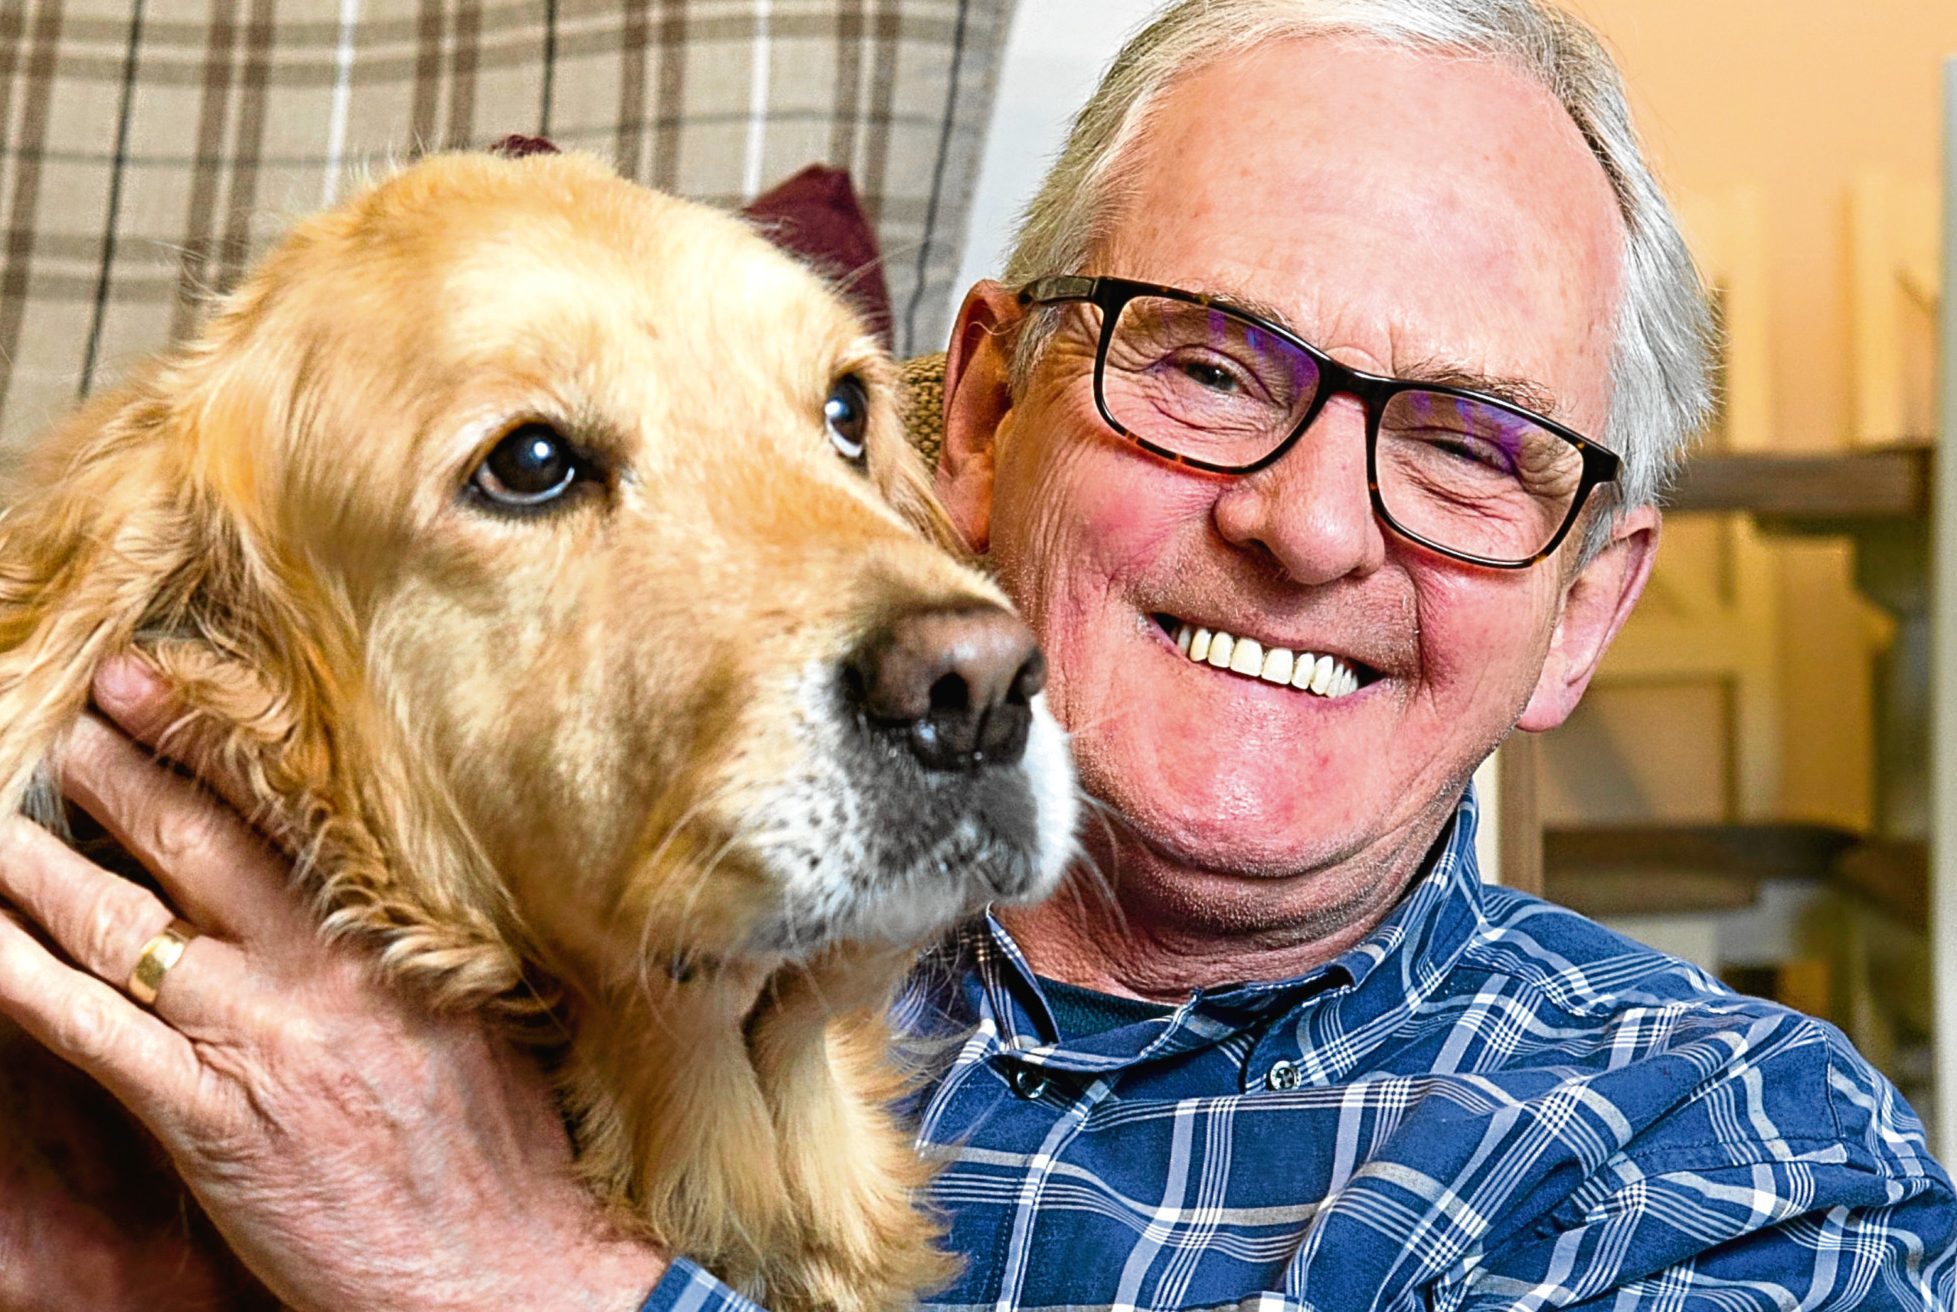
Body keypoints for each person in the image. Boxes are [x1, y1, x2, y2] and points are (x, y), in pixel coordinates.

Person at [1, 1, 1951, 1308]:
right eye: (1205, 363)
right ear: (984, 409)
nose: (1313, 523)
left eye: (1464, 443)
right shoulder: (343, 978)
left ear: (1585, 606)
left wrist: (509, 1268)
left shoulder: (1735, 1169)